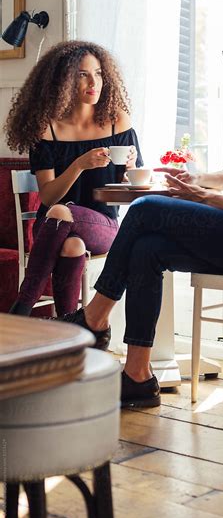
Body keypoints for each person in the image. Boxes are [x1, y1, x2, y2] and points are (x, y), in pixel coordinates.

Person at [60, 18, 223, 409]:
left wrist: (200, 197)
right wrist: (195, 180)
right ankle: (137, 375)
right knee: (147, 248)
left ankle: (95, 317)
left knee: (146, 207)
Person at [5, 40, 143, 321]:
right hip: (53, 223)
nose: (94, 82)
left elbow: (131, 187)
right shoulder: (48, 129)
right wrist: (79, 165)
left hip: (102, 224)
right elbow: (48, 198)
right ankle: (70, 330)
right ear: (63, 81)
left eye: (99, 73)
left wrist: (129, 169)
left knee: (62, 215)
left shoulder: (118, 121)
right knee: (72, 246)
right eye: (83, 74)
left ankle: (21, 308)